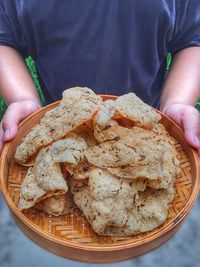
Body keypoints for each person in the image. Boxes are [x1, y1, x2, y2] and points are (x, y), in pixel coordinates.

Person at [0, 0, 199, 154]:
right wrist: (21, 98)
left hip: (146, 124)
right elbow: (5, 37)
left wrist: (178, 101)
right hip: (60, 125)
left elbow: (191, 38)